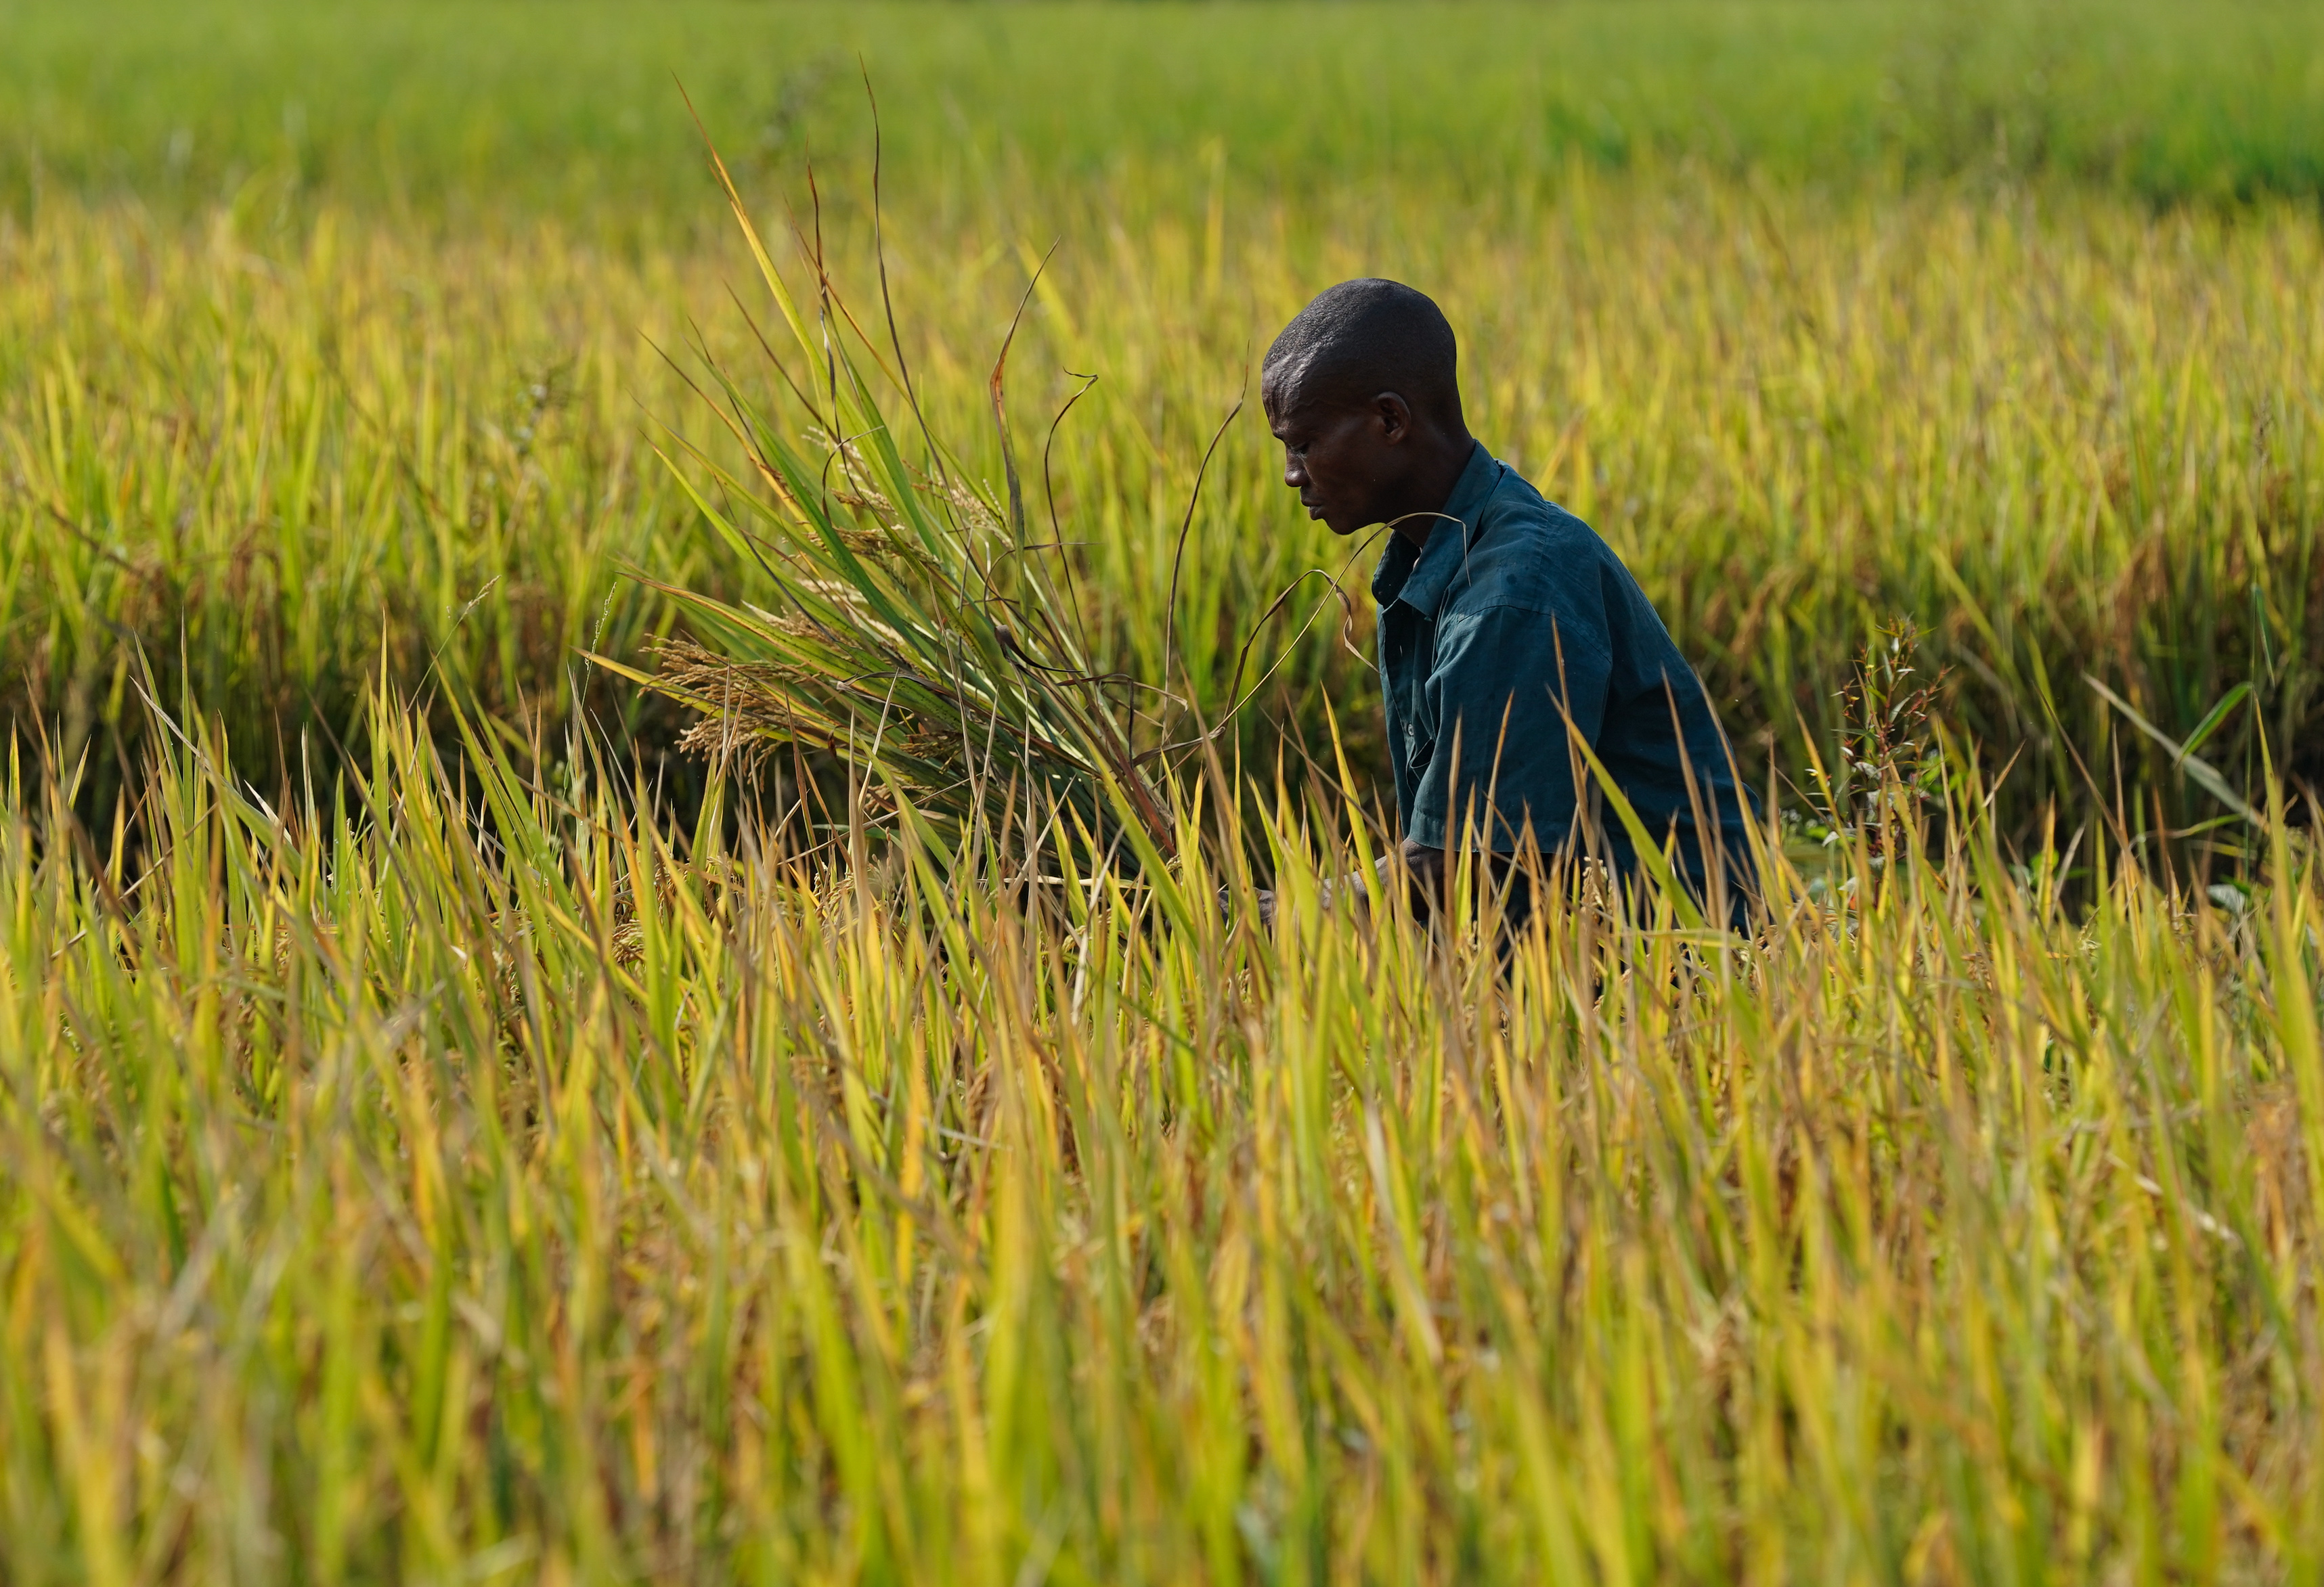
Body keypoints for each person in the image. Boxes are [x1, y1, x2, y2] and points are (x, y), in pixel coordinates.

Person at [1261, 277, 1755, 925]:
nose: (1294, 474)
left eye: (1304, 444)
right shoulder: (1436, 555)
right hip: (1576, 957)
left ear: (1390, 421)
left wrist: (1281, 916)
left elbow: (1458, 861)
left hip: (1677, 971)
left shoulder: (1513, 593)